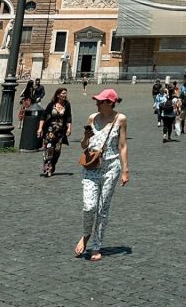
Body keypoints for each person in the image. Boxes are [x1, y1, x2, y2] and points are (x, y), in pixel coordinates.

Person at [75, 88, 129, 262]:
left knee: (102, 209)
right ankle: (86, 234)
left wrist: (125, 170)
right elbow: (84, 145)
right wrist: (85, 136)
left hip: (111, 169)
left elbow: (122, 146)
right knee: (89, 207)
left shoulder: (120, 119)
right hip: (91, 168)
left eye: (100, 101)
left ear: (110, 103)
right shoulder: (92, 118)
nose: (97, 103)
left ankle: (96, 246)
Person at [37, 86, 72, 177]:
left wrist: (69, 128)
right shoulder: (51, 104)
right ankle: (47, 168)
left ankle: (53, 164)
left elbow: (68, 117)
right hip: (50, 130)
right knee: (49, 148)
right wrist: (40, 128)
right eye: (63, 93)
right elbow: (43, 116)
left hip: (60, 131)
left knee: (57, 150)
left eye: (65, 93)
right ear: (58, 95)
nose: (65, 95)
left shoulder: (67, 104)